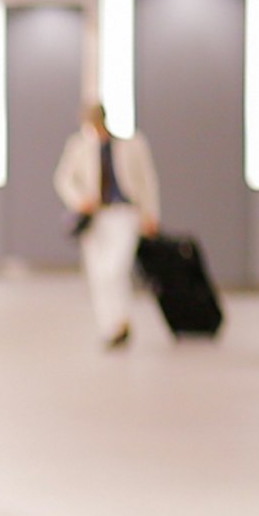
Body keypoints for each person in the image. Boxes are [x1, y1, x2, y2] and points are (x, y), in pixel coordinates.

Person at [53, 98, 161, 349]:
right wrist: (80, 200)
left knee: (115, 269)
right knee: (98, 272)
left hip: (124, 213)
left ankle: (122, 317)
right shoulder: (78, 146)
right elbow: (63, 178)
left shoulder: (132, 144)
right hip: (95, 216)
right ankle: (110, 325)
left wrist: (150, 213)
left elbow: (147, 181)